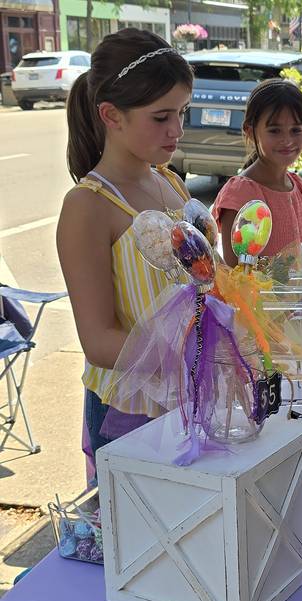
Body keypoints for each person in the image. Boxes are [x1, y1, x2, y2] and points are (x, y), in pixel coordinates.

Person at [56, 28, 194, 484]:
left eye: (181, 113)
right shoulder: (89, 206)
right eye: (161, 117)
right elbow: (97, 341)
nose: (176, 129)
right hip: (129, 413)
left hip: (189, 397)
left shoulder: (169, 182)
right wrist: (194, 351)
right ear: (111, 115)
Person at [213, 78, 302, 268]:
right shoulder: (240, 193)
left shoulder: (298, 186)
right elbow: (237, 276)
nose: (287, 140)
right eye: (275, 131)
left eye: (296, 130)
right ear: (250, 131)